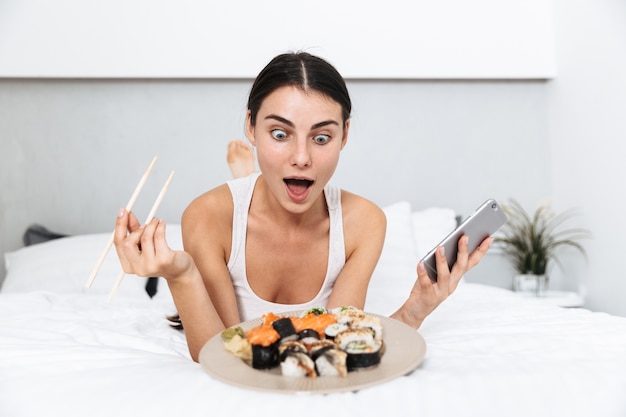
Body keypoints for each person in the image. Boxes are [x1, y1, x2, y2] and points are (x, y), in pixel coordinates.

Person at [114, 52, 492, 362]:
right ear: (251, 127)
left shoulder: (364, 222)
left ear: (345, 135)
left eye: (322, 137)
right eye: (280, 134)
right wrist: (182, 274)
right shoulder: (207, 215)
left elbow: (336, 348)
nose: (301, 157)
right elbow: (221, 357)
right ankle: (244, 176)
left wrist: (416, 308)